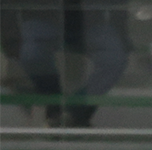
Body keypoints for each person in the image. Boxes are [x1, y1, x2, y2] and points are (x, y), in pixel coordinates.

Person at [19, 0, 128, 128]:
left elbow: (120, 3)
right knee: (31, 55)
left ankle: (73, 113)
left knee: (114, 59)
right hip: (43, 19)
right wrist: (10, 40)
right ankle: (57, 108)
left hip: (90, 23)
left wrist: (122, 34)